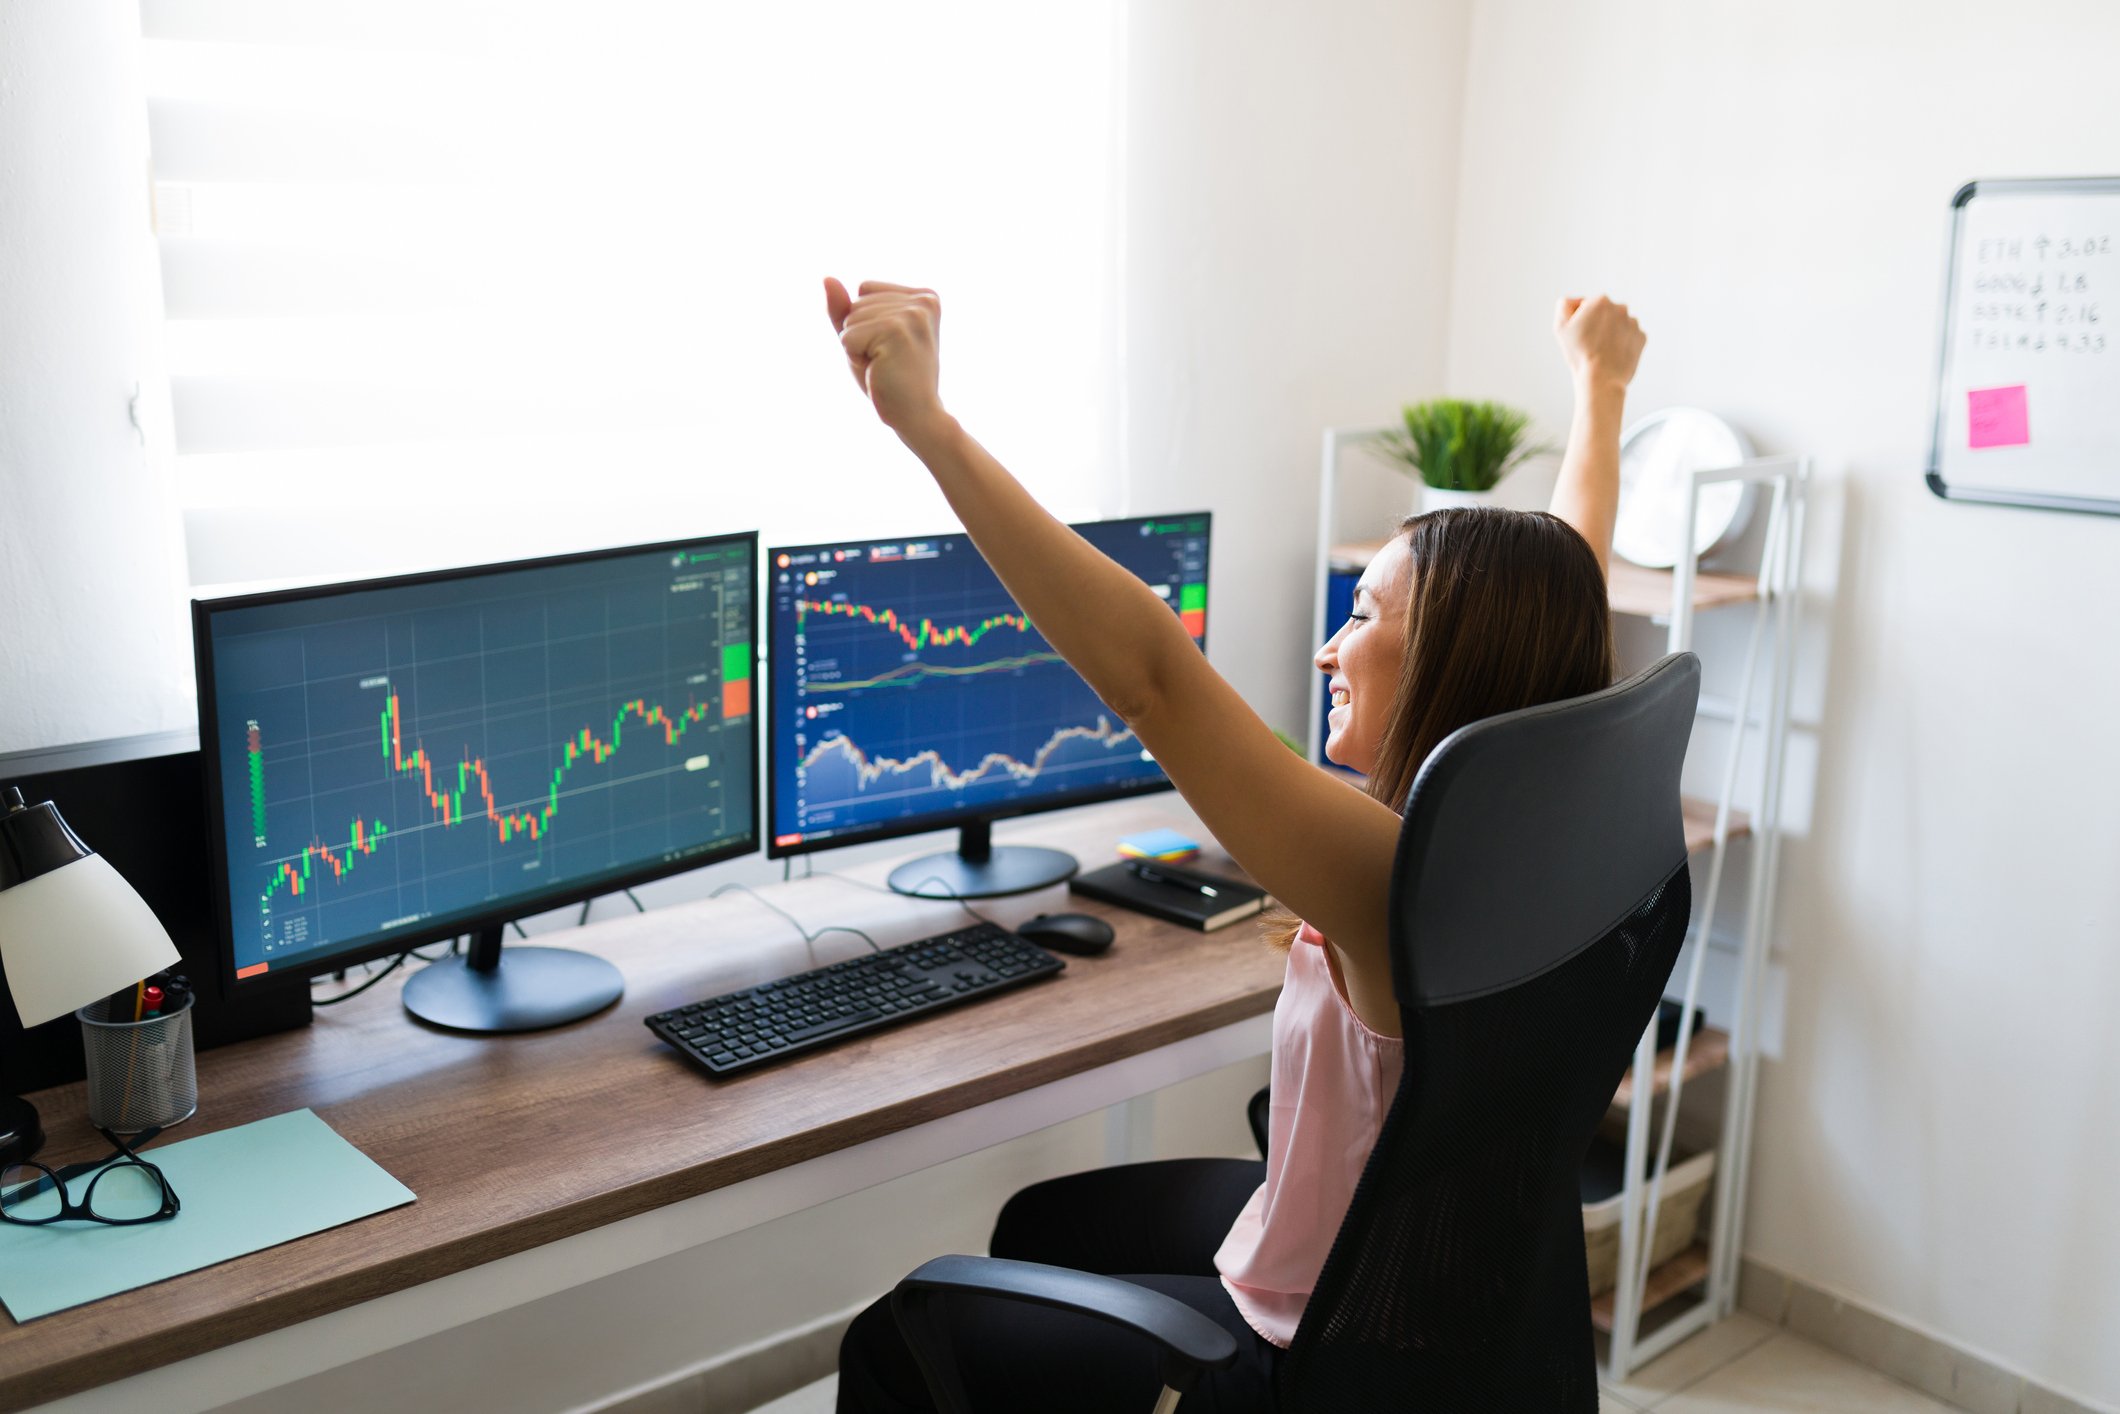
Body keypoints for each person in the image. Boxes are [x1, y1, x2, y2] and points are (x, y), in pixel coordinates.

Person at [827, 278, 1646, 1413]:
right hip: (1438, 1305)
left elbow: (1153, 678)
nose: (1327, 647)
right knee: (1041, 1227)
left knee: (894, 1334)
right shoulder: (1551, 819)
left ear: (1457, 657)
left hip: (1311, 1358)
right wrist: (1596, 391)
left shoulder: (1390, 879)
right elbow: (1570, 577)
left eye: (1362, 613)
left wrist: (930, 430)